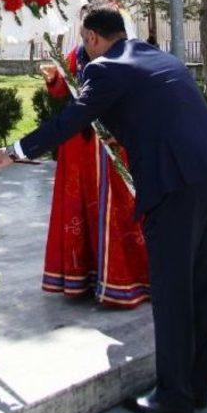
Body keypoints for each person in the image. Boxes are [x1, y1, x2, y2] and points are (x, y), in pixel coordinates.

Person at [0, 2, 207, 413]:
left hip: (178, 187)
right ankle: (194, 387)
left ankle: (173, 396)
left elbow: (69, 123)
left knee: (172, 293)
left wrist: (12, 151)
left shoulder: (105, 68)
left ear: (93, 38)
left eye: (84, 40)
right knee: (205, 287)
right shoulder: (158, 55)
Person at [40, 40, 150, 307]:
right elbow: (60, 90)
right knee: (80, 206)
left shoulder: (128, 53)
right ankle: (85, 278)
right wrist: (53, 78)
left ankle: (127, 279)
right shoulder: (75, 54)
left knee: (121, 206)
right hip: (80, 144)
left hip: (115, 140)